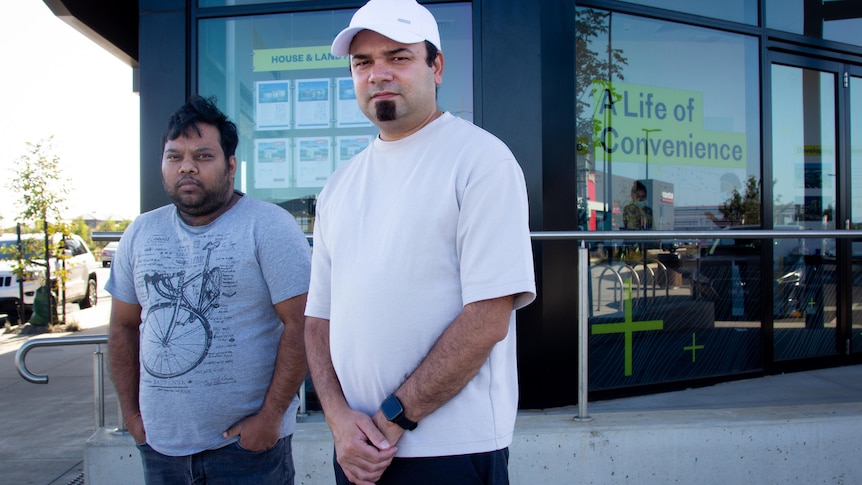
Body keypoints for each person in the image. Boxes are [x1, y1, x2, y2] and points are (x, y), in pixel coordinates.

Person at [304, 0, 537, 483]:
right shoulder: (339, 184)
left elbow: (488, 319)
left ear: (437, 67)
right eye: (363, 62)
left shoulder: (481, 162)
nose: (378, 74)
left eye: (398, 57)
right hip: (356, 452)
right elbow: (317, 322)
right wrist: (338, 421)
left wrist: (390, 420)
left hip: (450, 451)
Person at [106, 95, 311, 484]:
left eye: (203, 156)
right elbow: (122, 328)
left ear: (231, 165)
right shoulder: (140, 232)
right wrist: (132, 416)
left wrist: (270, 418)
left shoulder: (269, 226)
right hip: (161, 448)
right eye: (174, 156)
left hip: (245, 451)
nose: (186, 167)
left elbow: (302, 325)